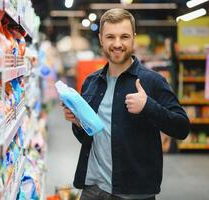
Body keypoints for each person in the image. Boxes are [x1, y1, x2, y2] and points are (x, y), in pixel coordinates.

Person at [61, 8, 190, 200]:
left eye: (124, 36)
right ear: (101, 39)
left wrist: (148, 106)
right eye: (110, 37)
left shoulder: (152, 81)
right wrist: (79, 123)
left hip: (133, 193)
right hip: (92, 188)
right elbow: (91, 138)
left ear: (133, 38)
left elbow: (182, 128)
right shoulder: (91, 82)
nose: (117, 44)